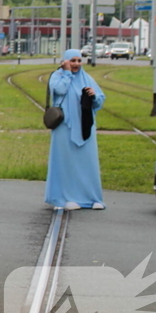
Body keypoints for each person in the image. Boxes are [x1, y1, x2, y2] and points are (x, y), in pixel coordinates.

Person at [45, 49, 106, 211]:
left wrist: (94, 95)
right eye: (72, 60)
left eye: (79, 60)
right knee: (66, 162)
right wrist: (67, 73)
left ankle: (91, 198)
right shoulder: (57, 76)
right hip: (64, 127)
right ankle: (66, 197)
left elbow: (100, 100)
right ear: (65, 61)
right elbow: (60, 90)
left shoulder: (87, 78)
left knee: (88, 162)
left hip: (85, 126)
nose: (76, 64)